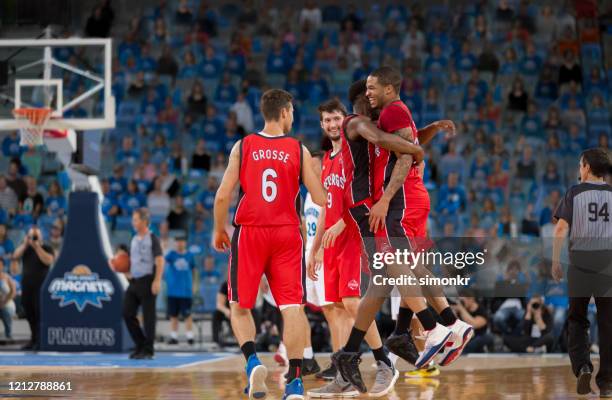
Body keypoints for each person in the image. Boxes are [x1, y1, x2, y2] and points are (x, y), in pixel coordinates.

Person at [213, 89, 326, 400]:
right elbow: (319, 197)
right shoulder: (298, 149)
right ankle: (295, 383)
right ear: (286, 112)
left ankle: (252, 362)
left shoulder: (244, 145)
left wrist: (217, 230)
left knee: (240, 307)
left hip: (250, 232)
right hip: (287, 233)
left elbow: (223, 195)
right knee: (293, 309)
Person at [552, 148, 612, 397]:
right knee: (609, 323)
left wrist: (556, 261)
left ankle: (583, 366)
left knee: (577, 319)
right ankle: (608, 383)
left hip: (580, 263)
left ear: (586, 167)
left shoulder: (574, 193)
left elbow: (560, 229)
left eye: (580, 165)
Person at [122, 208, 164, 360]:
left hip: (148, 280)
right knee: (127, 312)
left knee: (148, 317)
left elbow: (159, 260)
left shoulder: (153, 238)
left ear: (144, 221)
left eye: (136, 220)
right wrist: (126, 272)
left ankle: (149, 349)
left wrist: (157, 280)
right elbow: (132, 261)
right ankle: (140, 344)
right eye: (133, 220)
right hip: (134, 281)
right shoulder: (133, 239)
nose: (133, 222)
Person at [12, 226, 55, 350]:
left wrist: (37, 247)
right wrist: (26, 244)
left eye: (36, 236)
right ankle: (33, 339)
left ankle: (40, 341)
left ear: (41, 237)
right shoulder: (26, 248)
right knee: (29, 313)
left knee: (39, 314)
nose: (34, 238)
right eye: (31, 235)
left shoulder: (46, 248)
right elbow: (15, 256)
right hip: (27, 286)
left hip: (41, 287)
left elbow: (49, 261)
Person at [164, 236, 196, 345]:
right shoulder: (171, 255)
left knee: (187, 314)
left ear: (185, 243)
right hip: (173, 290)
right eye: (178, 242)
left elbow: (194, 270)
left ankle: (190, 336)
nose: (179, 244)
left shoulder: (190, 256)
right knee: (173, 315)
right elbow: (162, 260)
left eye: (182, 241)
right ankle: (174, 336)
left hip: (185, 291)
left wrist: (194, 285)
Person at [0, 259, 16, 340]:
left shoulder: (7, 278)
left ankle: (8, 333)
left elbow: (13, 292)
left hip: (6, 304)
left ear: (2, 266)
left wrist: (4, 301)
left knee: (5, 310)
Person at [213, 279, 231, 347]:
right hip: (228, 311)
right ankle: (216, 340)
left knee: (254, 312)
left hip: (241, 311)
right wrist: (226, 311)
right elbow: (219, 305)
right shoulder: (225, 285)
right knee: (216, 314)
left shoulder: (244, 283)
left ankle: (256, 338)